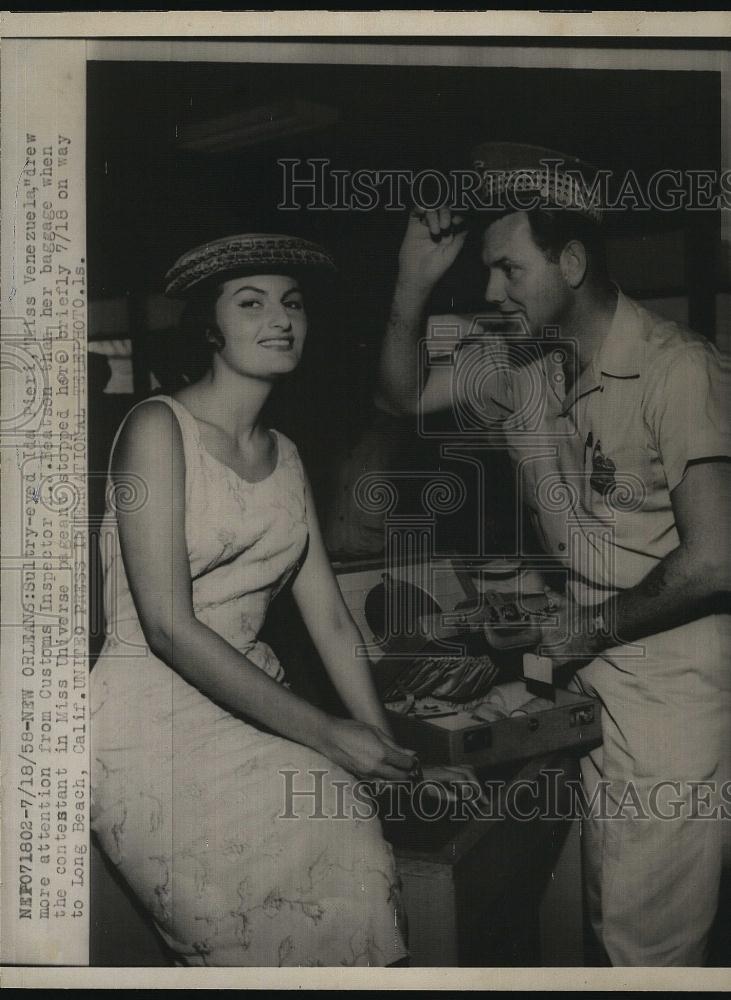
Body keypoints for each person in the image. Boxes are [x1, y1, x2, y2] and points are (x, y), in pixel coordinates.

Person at [376, 144, 731, 966]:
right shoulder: (520, 361)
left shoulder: (677, 370)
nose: (491, 292)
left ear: (570, 261)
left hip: (672, 682)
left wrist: (584, 627)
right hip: (584, 663)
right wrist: (410, 284)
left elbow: (715, 559)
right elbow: (397, 396)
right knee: (600, 911)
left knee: (647, 944)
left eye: (507, 269)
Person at [90, 233, 431, 967]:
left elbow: (333, 621)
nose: (279, 319)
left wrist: (387, 753)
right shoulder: (156, 428)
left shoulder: (288, 453)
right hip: (148, 725)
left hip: (248, 703)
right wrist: (328, 734)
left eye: (292, 304)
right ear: (210, 329)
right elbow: (167, 627)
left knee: (344, 823)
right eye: (251, 304)